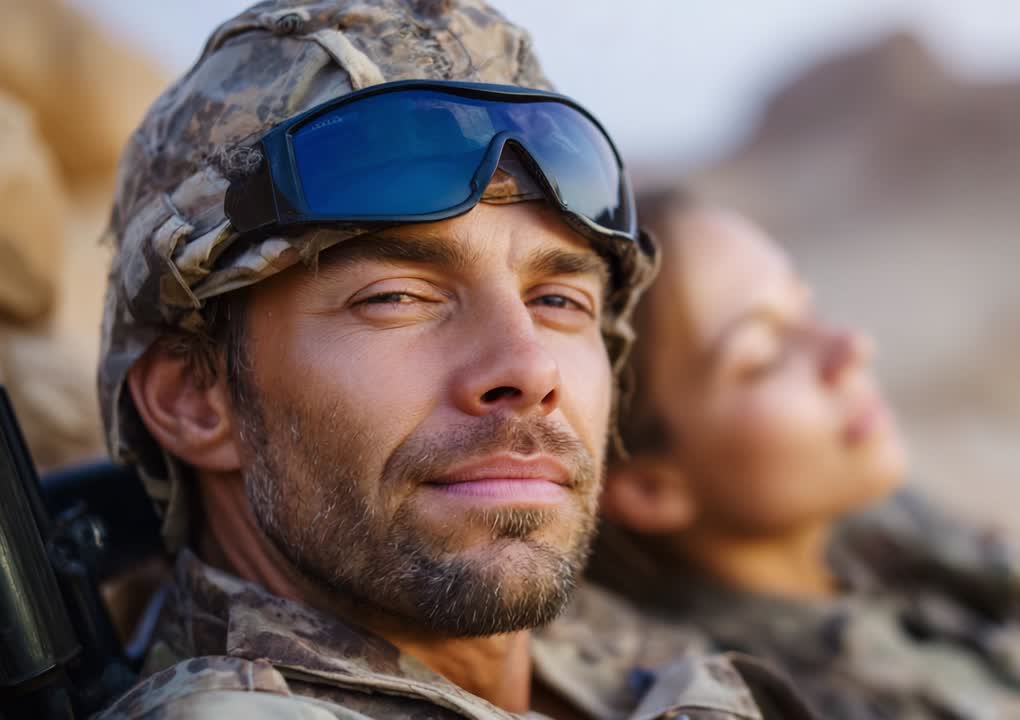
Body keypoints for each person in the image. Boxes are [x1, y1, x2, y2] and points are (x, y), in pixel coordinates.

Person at [92, 3, 811, 718]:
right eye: (396, 297)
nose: (530, 369)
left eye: (559, 300)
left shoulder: (620, 651)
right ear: (194, 397)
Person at [588, 189, 1020, 719]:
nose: (851, 346)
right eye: (762, 353)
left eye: (806, 307)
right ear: (650, 488)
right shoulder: (758, 697)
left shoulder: (897, 546)